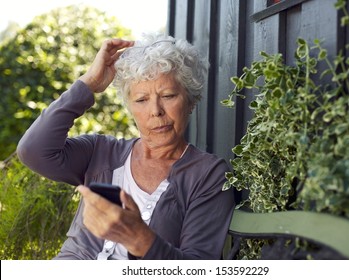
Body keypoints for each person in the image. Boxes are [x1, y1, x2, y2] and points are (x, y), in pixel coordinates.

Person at [17, 33, 235, 260]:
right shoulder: (100, 151)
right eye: (141, 100)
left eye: (168, 95)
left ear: (190, 101)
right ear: (130, 107)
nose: (155, 111)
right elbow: (33, 151)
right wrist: (88, 83)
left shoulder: (208, 175)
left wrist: (140, 240)